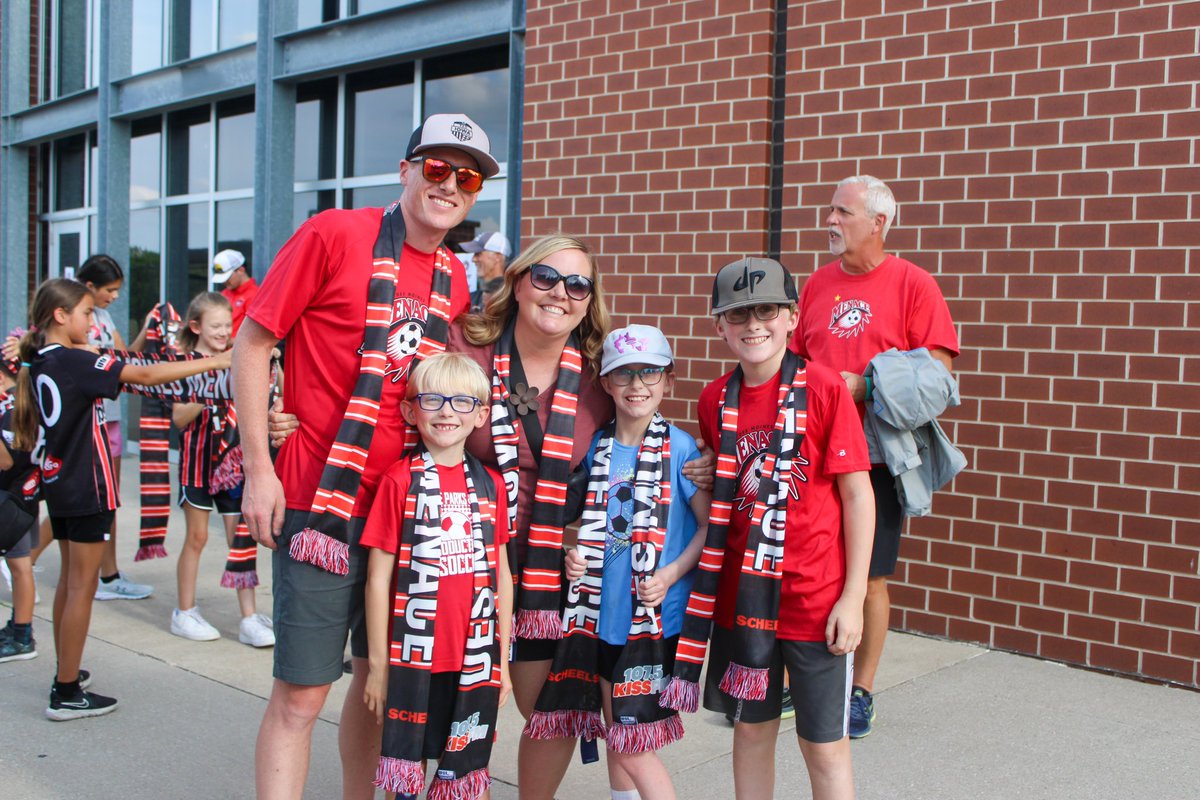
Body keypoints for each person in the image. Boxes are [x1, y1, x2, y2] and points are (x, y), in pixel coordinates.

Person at [232, 112, 497, 799]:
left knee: (378, 680)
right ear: (405, 170)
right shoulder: (333, 233)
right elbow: (254, 343)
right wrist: (259, 468)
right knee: (301, 695)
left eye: (467, 178)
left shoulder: (454, 276)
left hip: (408, 512)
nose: (450, 184)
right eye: (436, 167)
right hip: (320, 504)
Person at [661, 257, 874, 800]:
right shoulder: (714, 399)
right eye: (738, 314)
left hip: (814, 599)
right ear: (720, 326)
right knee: (752, 732)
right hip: (743, 600)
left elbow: (857, 495)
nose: (753, 324)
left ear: (792, 318)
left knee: (824, 746)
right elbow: (726, 483)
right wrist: (706, 470)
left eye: (766, 311)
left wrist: (853, 598)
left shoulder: (824, 388)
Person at [12, 278, 231, 721]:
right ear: (60, 316)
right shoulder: (74, 360)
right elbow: (145, 375)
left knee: (71, 584)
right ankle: (66, 692)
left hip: (61, 482)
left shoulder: (43, 361)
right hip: (88, 484)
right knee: (82, 588)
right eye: (86, 314)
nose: (91, 322)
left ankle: (66, 671)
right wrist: (218, 361)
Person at [791, 176, 960, 738]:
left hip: (876, 457)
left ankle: (859, 691)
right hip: (813, 452)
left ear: (878, 223)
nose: (830, 221)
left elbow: (938, 375)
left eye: (843, 212)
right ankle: (802, 679)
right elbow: (793, 360)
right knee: (809, 566)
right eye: (830, 210)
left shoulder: (913, 284)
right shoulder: (816, 284)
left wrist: (866, 386)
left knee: (869, 577)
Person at [549, 325, 710, 800]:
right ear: (606, 383)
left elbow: (707, 528)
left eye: (649, 373)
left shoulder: (681, 450)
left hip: (653, 620)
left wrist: (670, 574)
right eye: (624, 374)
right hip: (601, 616)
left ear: (668, 381)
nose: (637, 384)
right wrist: (573, 557)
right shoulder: (594, 449)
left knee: (634, 743)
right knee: (617, 733)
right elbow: (581, 525)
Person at [362, 352, 513, 799]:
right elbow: (377, 579)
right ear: (411, 411)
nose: (447, 412)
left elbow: (503, 576)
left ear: (481, 415)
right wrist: (378, 667)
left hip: (473, 657)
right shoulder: (399, 481)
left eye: (462, 402)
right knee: (407, 768)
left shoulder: (491, 484)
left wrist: (502, 662)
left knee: (468, 769)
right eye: (433, 400)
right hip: (415, 660)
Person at [169, 292, 274, 647]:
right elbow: (179, 416)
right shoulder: (186, 363)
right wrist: (213, 380)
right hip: (197, 465)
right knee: (196, 538)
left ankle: (248, 618)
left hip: (232, 465)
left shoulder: (237, 357)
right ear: (195, 326)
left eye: (228, 325)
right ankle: (184, 611)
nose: (223, 331)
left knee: (240, 541)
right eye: (215, 325)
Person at [76, 254, 154, 602]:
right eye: (109, 290)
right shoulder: (72, 317)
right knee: (83, 502)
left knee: (109, 500)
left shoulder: (104, 317)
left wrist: (147, 329)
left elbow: (125, 361)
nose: (115, 296)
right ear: (89, 285)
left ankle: (108, 575)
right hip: (84, 420)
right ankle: (24, 559)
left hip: (110, 418)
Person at [1, 344, 39, 664]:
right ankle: (17, 626)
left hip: (14, 501)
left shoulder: (11, 409)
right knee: (19, 567)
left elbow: (5, 461)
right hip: (22, 497)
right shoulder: (21, 403)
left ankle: (23, 636)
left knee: (20, 567)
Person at [212, 249, 258, 337]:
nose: (224, 282)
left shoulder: (255, 296)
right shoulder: (224, 294)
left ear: (241, 270)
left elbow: (254, 334)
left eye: (227, 277)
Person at [461, 231, 512, 311]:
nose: (473, 259)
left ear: (497, 257)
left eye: (478, 254)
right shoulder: (472, 298)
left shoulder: (510, 296)